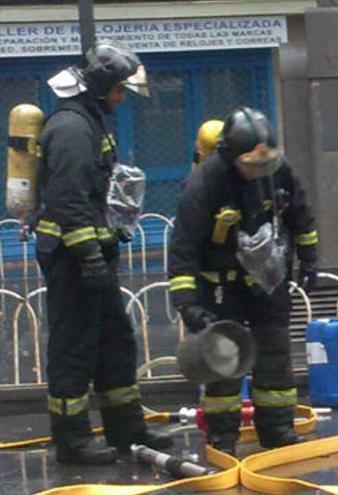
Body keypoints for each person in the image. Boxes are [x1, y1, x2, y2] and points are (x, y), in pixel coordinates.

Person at [34, 41, 172, 465]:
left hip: (93, 256)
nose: (121, 99)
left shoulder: (90, 121)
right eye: (118, 91)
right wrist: (90, 256)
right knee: (75, 348)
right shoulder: (73, 129)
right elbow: (69, 201)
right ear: (100, 87)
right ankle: (72, 441)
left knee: (115, 342)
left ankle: (127, 430)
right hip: (73, 260)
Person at [168, 106, 318, 456]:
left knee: (275, 356)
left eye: (265, 165)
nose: (259, 172)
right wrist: (188, 304)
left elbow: (301, 214)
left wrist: (309, 259)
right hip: (220, 286)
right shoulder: (204, 183)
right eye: (251, 165)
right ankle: (222, 437)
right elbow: (183, 249)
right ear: (230, 155)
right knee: (223, 361)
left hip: (267, 279)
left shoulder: (278, 170)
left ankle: (278, 432)